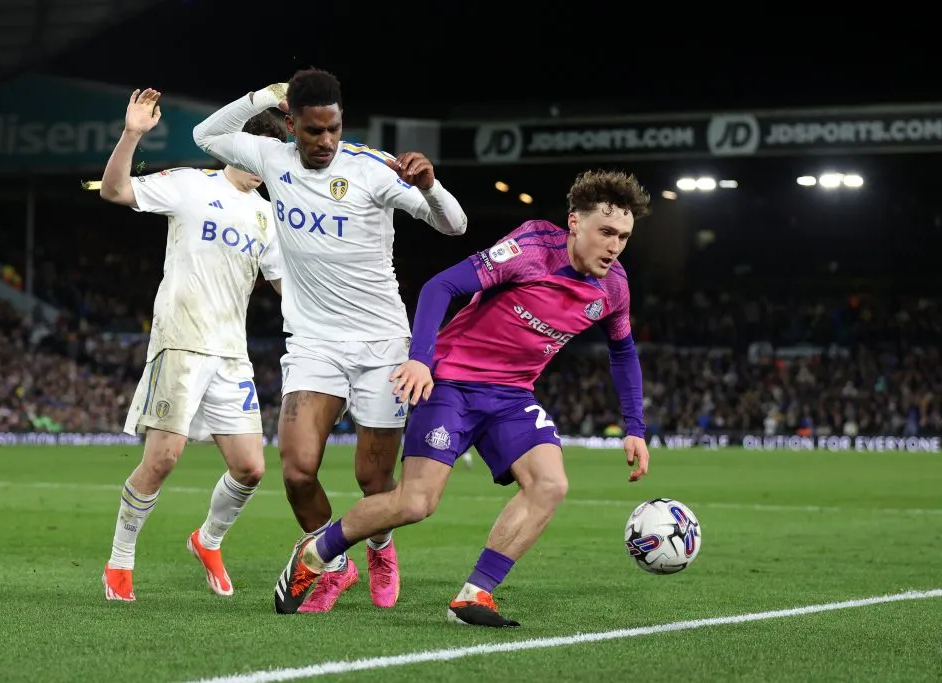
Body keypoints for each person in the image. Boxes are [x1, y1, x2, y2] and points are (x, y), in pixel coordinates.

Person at [273, 170, 653, 626]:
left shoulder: (613, 287)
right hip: (451, 383)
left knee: (550, 484)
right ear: (575, 223)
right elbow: (441, 286)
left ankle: (474, 596)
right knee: (415, 503)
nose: (614, 246)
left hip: (512, 396)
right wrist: (420, 359)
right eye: (606, 232)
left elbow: (623, 351)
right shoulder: (531, 249)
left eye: (624, 237)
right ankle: (316, 552)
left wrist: (635, 428)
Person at [192, 69, 468, 613]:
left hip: (381, 346)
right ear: (291, 124)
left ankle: (382, 548)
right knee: (296, 469)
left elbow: (454, 226)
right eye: (313, 131)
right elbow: (206, 135)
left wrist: (430, 185)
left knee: (373, 478)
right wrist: (259, 97)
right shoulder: (271, 159)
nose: (324, 142)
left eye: (333, 129)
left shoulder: (372, 170)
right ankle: (333, 564)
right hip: (314, 344)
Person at [99, 88, 287, 602]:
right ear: (237, 149)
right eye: (255, 155)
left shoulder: (269, 217)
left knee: (250, 468)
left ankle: (208, 541)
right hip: (180, 341)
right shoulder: (189, 186)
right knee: (163, 459)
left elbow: (282, 288)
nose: (261, 168)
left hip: (231, 353)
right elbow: (114, 192)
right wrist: (132, 134)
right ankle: (119, 562)